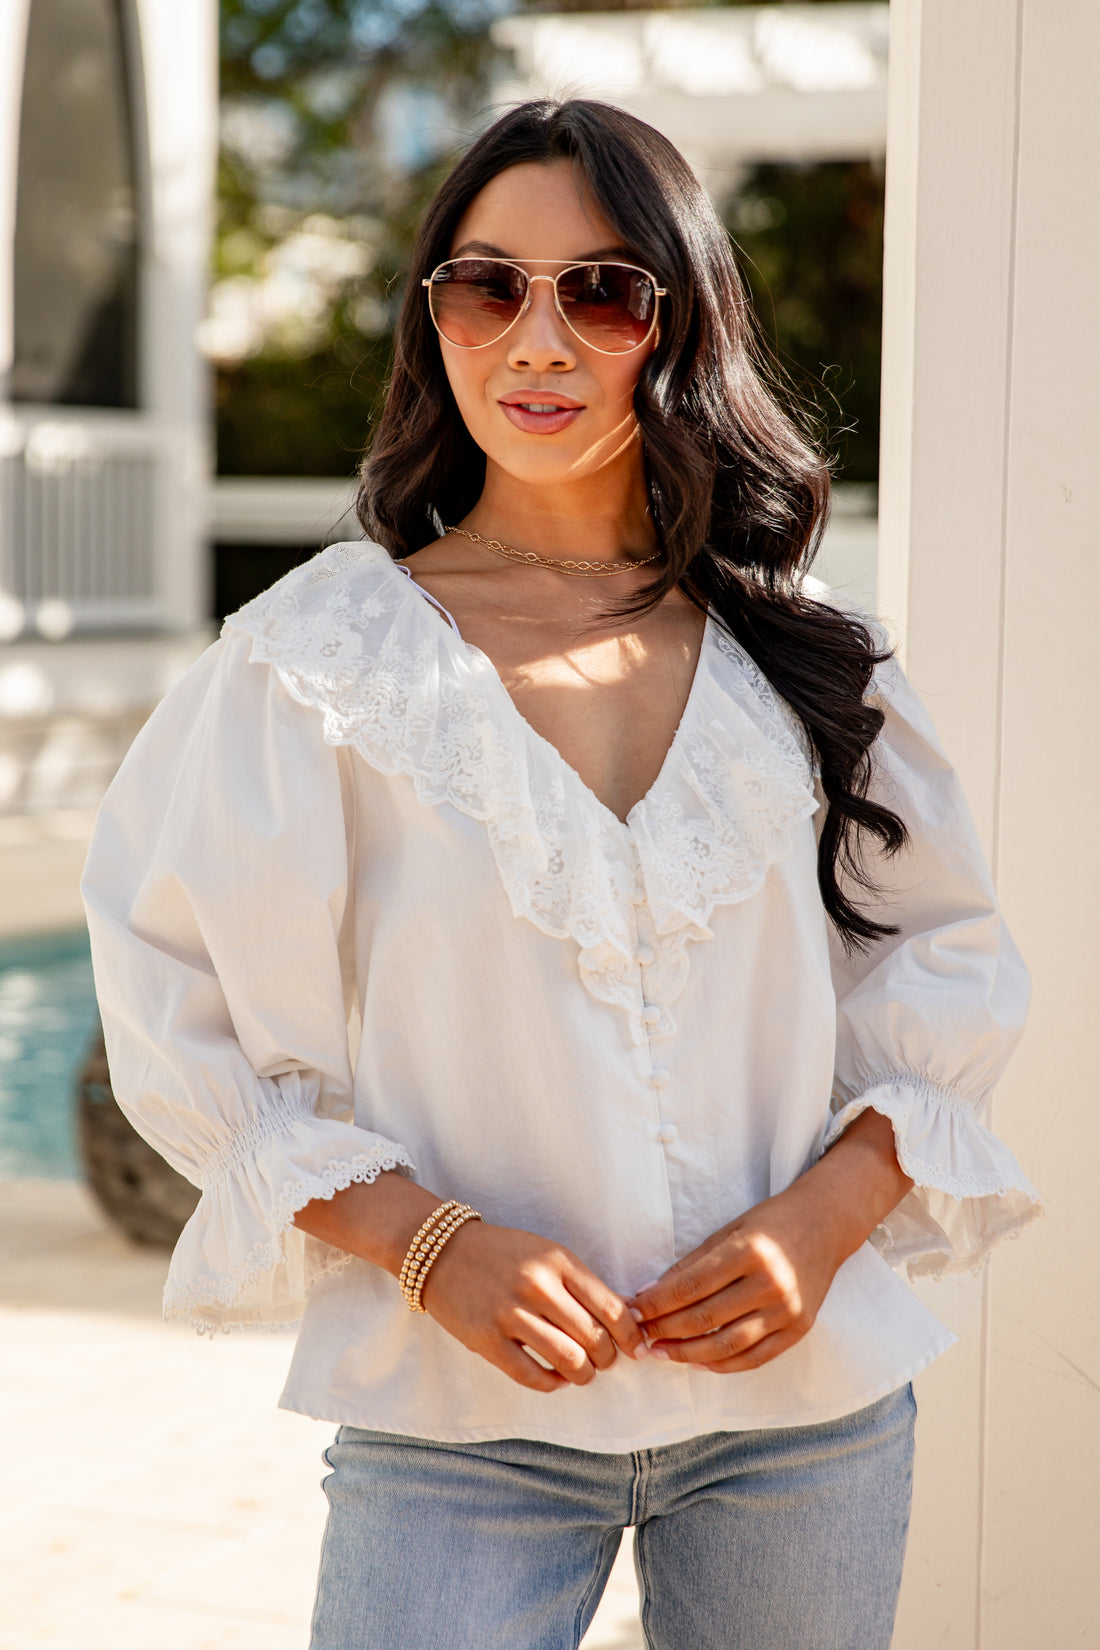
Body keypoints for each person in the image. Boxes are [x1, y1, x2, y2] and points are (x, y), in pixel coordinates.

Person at [80, 100, 1042, 1650]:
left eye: (601, 289)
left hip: (809, 1421)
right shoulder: (311, 663)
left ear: (683, 323)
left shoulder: (810, 660)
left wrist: (823, 1222)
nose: (536, 340)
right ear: (433, 320)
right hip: (460, 1431)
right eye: (486, 285)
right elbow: (173, 1007)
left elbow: (947, 967)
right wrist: (428, 1242)